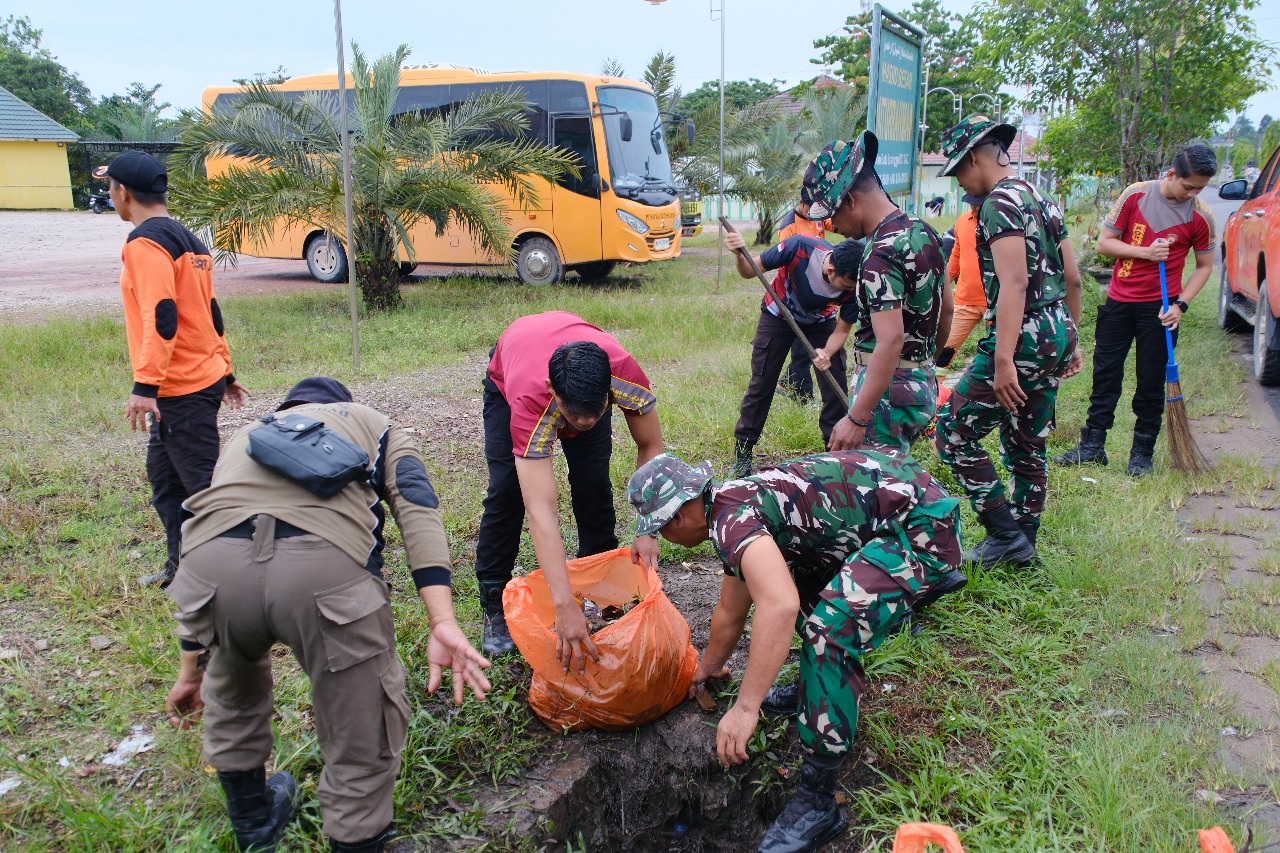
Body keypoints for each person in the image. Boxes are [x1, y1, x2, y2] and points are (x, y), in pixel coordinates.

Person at [164, 377, 491, 853]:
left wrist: (191, 671)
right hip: (322, 575)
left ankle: (254, 825)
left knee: (233, 693)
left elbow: (207, 522)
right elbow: (417, 505)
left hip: (212, 571)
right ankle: (356, 837)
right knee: (361, 725)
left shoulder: (246, 434)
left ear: (289, 407)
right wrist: (441, 620)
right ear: (342, 405)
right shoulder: (376, 424)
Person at [626, 450, 964, 853]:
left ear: (678, 518)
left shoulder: (732, 522)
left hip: (920, 527)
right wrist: (708, 667)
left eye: (661, 529)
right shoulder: (727, 506)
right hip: (890, 509)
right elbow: (731, 611)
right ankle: (814, 690)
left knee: (828, 632)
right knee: (806, 594)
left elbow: (778, 606)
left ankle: (818, 802)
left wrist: (746, 708)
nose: (666, 538)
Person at [931, 115, 1084, 568]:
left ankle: (1004, 535)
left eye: (958, 172)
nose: (960, 183)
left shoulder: (998, 203)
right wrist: (1070, 339)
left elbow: (1014, 285)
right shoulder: (1042, 197)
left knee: (953, 432)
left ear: (974, 159)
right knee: (1026, 438)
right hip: (1054, 329)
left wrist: (1003, 361)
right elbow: (1073, 278)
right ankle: (1023, 543)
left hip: (1023, 336)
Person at [475, 311, 664, 662]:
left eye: (595, 413)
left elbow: (651, 446)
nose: (582, 423)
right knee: (507, 491)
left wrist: (647, 527)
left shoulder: (622, 374)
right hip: (515, 370)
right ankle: (494, 603)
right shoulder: (531, 399)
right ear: (553, 391)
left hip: (583, 386)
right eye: (574, 416)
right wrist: (562, 605)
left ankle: (599, 585)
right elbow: (541, 510)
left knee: (593, 482)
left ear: (609, 389)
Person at [102, 150, 250, 589]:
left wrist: (145, 386)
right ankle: (182, 568)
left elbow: (163, 316)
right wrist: (225, 371)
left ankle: (237, 581)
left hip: (180, 389)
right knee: (167, 484)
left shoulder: (145, 243)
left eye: (109, 187)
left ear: (123, 192)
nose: (110, 194)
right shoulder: (188, 239)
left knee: (202, 490)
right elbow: (209, 314)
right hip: (194, 381)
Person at [1055, 145, 1218, 476]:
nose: (1193, 194)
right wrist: (1145, 252)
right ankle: (1092, 446)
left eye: (1199, 189)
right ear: (1171, 174)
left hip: (1161, 308)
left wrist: (1181, 305)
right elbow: (1104, 243)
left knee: (1151, 380)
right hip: (1119, 301)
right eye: (1189, 186)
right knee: (1105, 375)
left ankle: (1141, 454)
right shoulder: (1135, 195)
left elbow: (1204, 266)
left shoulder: (1201, 217)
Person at [803, 133, 953, 456]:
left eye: (833, 213)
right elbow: (947, 312)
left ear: (850, 201)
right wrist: (921, 365)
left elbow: (890, 340)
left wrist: (856, 418)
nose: (834, 225)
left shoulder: (879, 255)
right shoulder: (925, 231)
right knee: (896, 474)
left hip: (886, 394)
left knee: (874, 482)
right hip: (920, 382)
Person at [722, 221, 857, 477]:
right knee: (762, 382)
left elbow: (841, 331)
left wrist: (827, 352)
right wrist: (739, 254)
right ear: (830, 270)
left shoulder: (855, 284)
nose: (849, 291)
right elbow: (749, 271)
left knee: (835, 380)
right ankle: (743, 453)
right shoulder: (799, 248)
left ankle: (836, 453)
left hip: (821, 322)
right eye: (847, 286)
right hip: (778, 314)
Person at [775, 189, 835, 403]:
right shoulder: (788, 227)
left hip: (821, 288)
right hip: (799, 291)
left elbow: (834, 225)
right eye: (811, 207)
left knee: (808, 345)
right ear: (801, 202)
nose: (814, 212)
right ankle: (803, 395)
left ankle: (786, 382)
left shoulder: (818, 216)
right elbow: (783, 262)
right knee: (802, 346)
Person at [936, 194, 990, 369]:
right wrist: (940, 287)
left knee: (999, 354)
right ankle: (935, 386)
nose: (975, 208)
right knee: (942, 352)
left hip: (996, 303)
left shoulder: (999, 223)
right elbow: (956, 257)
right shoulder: (963, 221)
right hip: (965, 301)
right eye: (972, 204)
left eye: (979, 204)